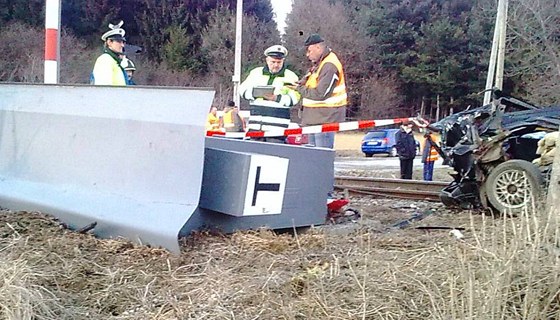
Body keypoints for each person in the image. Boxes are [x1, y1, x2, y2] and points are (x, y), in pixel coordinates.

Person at [293, 34, 347, 149]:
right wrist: (302, 83)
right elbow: (313, 82)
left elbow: (320, 93)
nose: (307, 55)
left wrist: (299, 89)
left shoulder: (329, 65)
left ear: (318, 47)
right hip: (315, 117)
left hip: (325, 118)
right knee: (313, 158)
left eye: (309, 51)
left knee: (321, 158)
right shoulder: (321, 63)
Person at [239, 45, 300, 142]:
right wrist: (254, 94)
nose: (276, 65)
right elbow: (242, 90)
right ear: (267, 60)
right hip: (256, 127)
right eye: (273, 62)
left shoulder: (291, 76)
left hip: (277, 130)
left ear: (283, 61)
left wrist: (276, 98)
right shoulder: (256, 73)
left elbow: (295, 98)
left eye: (279, 62)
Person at [92, 21, 128, 86]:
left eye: (123, 42)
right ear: (109, 42)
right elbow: (104, 89)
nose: (122, 45)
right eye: (119, 41)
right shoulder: (104, 60)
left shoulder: (115, 61)